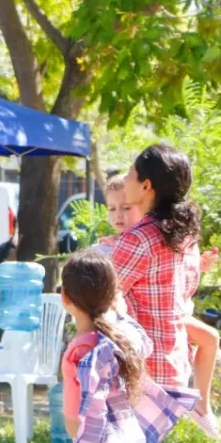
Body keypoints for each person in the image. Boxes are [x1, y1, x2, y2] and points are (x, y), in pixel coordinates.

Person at [102, 167, 221, 438]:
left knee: (210, 337)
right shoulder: (124, 241)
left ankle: (202, 405)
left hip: (168, 316)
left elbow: (175, 281)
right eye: (111, 209)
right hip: (142, 324)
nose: (119, 215)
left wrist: (198, 265)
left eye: (126, 207)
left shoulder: (154, 234)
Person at [60, 250, 196, 441]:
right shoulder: (123, 337)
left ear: (64, 297)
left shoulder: (79, 352)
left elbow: (76, 423)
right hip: (131, 434)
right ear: (112, 296)